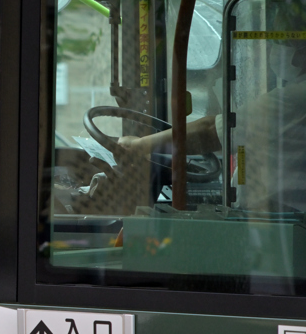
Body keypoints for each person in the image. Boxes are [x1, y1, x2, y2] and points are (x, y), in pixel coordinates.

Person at [119, 40, 306, 212]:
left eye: (285, 41)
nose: (275, 48)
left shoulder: (294, 99)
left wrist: (138, 145)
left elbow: (211, 132)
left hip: (280, 219)